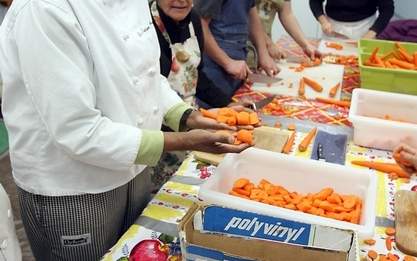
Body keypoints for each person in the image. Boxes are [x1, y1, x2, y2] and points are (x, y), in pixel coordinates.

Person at [0, 0, 249, 260]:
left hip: (134, 168)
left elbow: (147, 75)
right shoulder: (44, 9)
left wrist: (187, 116)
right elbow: (76, 130)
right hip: (74, 188)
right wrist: (184, 140)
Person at [194, 0, 279, 108]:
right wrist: (227, 62)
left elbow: (252, 15)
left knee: (235, 108)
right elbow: (200, 25)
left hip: (237, 65)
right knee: (216, 114)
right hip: (214, 68)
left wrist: (263, 53)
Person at [255, 0, 320, 62]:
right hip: (247, 49)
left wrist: (306, 45)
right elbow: (247, 17)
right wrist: (268, 44)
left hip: (264, 51)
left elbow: (286, 14)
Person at [309, 0, 395, 40]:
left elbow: (387, 9)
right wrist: (323, 21)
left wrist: (371, 33)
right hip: (333, 28)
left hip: (365, 28)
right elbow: (314, 1)